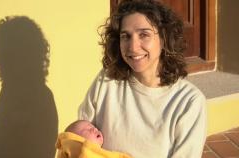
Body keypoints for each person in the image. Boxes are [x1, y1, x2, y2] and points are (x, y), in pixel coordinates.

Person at [78, 0, 207, 157]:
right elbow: (78, 142)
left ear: (164, 39)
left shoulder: (188, 102)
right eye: (126, 36)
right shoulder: (106, 81)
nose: (133, 47)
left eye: (144, 35)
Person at [55, 120, 131, 158]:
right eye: (87, 129)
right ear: (78, 141)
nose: (94, 129)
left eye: (93, 127)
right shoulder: (83, 151)